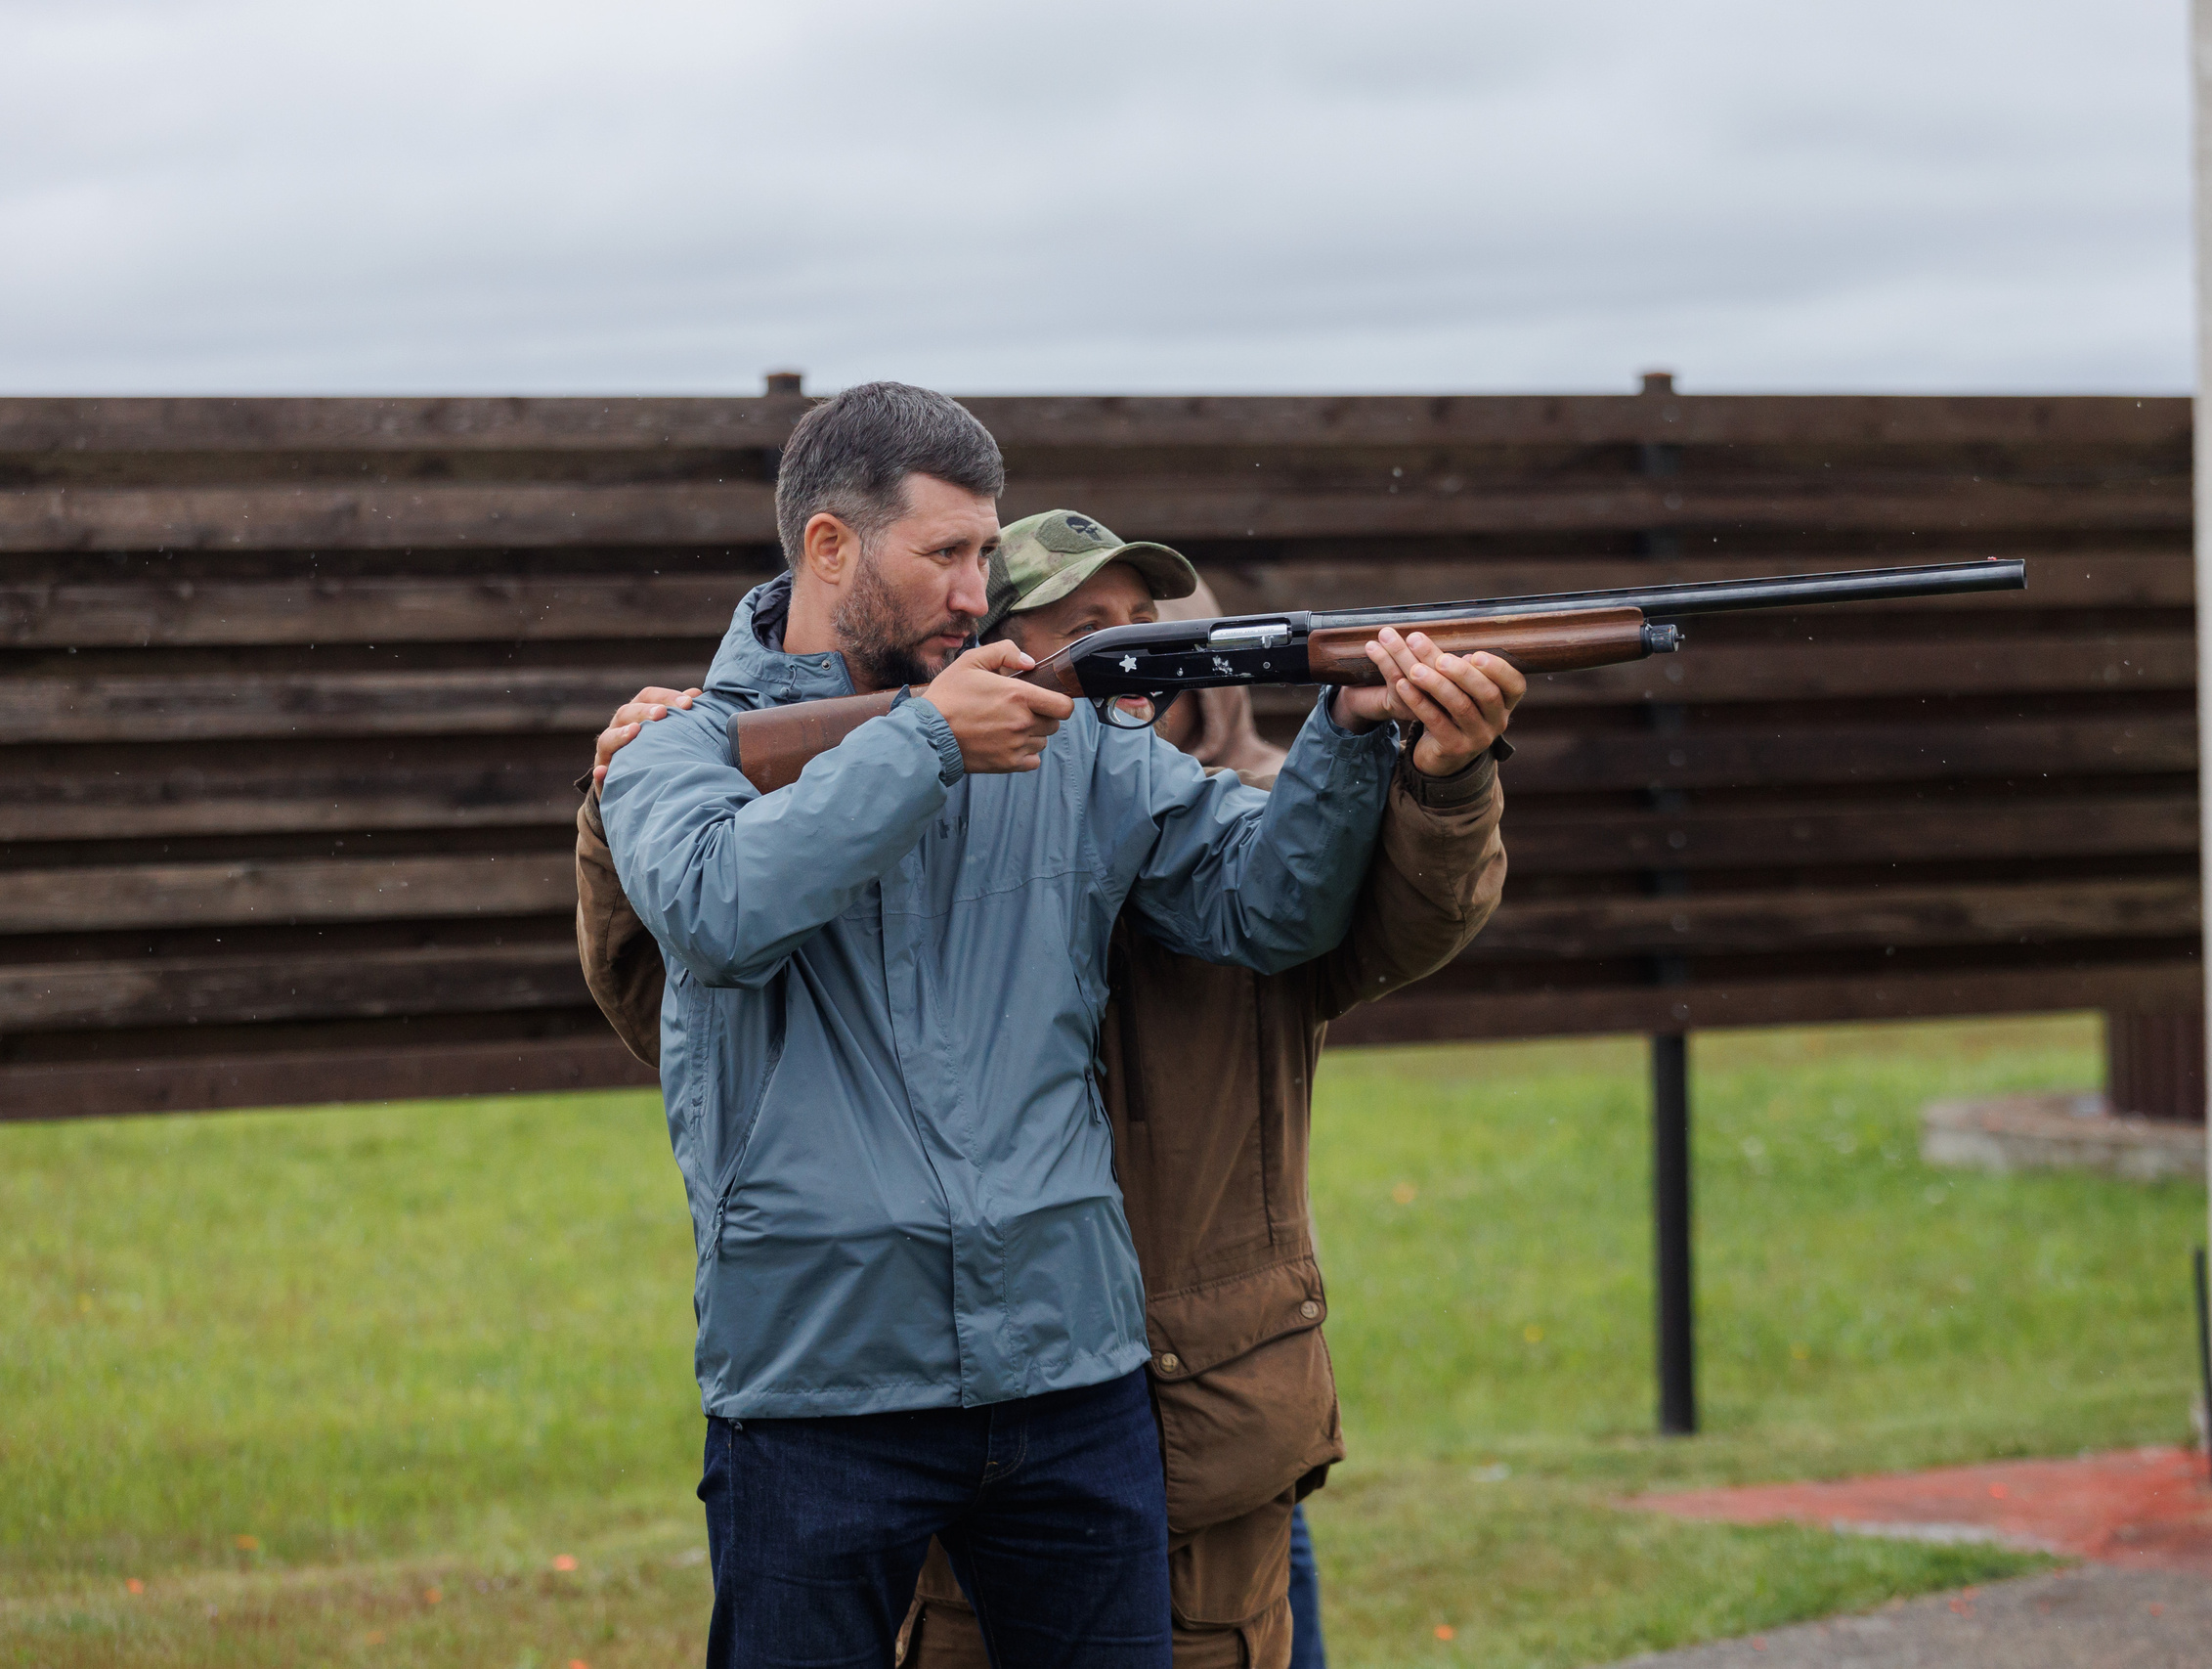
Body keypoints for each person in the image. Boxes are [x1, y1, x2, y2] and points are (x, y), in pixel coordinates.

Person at [579, 510, 1523, 1666]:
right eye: (1089, 628)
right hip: (920, 1396)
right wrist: (632, 810)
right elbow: (688, 979)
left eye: (1146, 623)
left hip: (1189, 1400)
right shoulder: (877, 788)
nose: (1135, 650)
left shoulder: (1271, 801)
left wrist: (1432, 769)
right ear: (986, 651)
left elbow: (1336, 916)